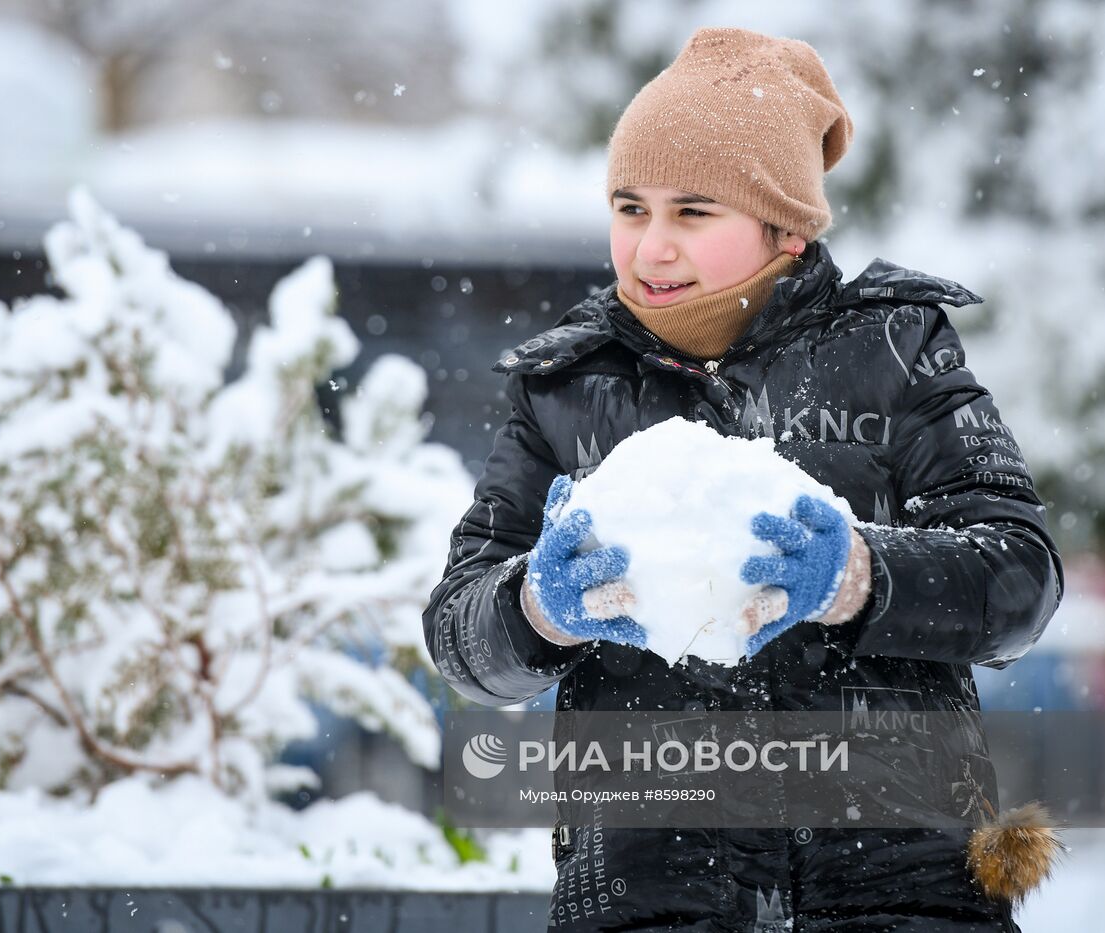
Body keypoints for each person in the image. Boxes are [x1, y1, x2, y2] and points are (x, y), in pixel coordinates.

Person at [423, 27, 1064, 932]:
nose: (651, 248)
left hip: (898, 892)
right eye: (629, 207)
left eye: (692, 212)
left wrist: (861, 577)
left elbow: (1020, 577)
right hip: (650, 898)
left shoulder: (896, 348)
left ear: (787, 227)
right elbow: (458, 638)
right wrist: (534, 608)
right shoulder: (566, 389)